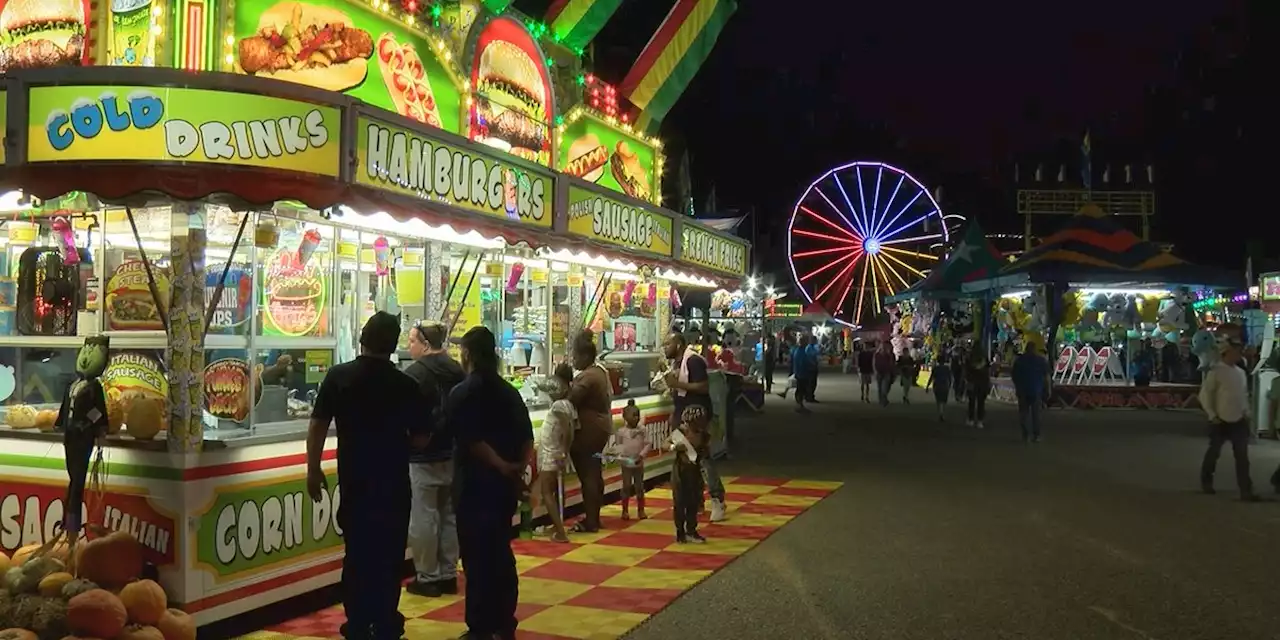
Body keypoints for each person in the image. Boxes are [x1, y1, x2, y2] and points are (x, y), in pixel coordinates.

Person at [306, 312, 421, 640]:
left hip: (355, 482)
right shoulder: (406, 384)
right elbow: (423, 437)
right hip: (394, 485)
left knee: (357, 554)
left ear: (361, 338)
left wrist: (313, 469)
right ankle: (384, 620)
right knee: (389, 555)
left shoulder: (339, 377)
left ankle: (357, 622)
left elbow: (317, 425)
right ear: (393, 344)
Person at [447, 326, 535, 639]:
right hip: (502, 489)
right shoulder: (509, 392)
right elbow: (527, 439)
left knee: (476, 558)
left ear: (467, 354)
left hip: (473, 486)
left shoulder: (463, 393)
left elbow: (470, 441)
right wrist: (516, 470)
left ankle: (481, 626)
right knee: (500, 551)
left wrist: (500, 465)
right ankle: (504, 620)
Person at [403, 321, 465, 598]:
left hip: (423, 455)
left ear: (426, 344)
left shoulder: (414, 373)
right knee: (449, 514)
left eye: (413, 341)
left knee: (424, 517)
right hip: (453, 451)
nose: (409, 346)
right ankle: (449, 574)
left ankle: (428, 576)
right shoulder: (458, 371)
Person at [664, 331, 727, 522]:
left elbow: (703, 387)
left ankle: (717, 499)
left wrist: (678, 384)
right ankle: (696, 500)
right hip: (682, 416)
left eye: (668, 344)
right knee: (687, 460)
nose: (665, 347)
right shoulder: (677, 363)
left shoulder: (693, 361)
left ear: (680, 344)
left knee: (702, 459)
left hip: (697, 418)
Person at [1199, 340, 1260, 501]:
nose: (1238, 355)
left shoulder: (1240, 372)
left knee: (1242, 456)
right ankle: (1206, 481)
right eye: (1235, 351)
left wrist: (1246, 411)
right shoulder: (1216, 371)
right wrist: (1212, 415)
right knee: (1214, 452)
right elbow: (1205, 395)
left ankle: (1245, 489)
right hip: (1220, 419)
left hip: (1238, 418)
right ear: (1226, 353)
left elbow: (1243, 395)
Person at [568, 330, 612, 533]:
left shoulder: (588, 377)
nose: (573, 359)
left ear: (585, 356)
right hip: (600, 428)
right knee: (594, 472)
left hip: (589, 431)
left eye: (575, 356)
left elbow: (570, 398)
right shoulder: (599, 371)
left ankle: (591, 520)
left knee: (588, 475)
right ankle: (595, 516)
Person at [532, 363, 575, 543]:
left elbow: (567, 428)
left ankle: (560, 531)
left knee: (547, 492)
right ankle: (557, 525)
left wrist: (563, 450)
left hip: (552, 453)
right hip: (557, 452)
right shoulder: (567, 404)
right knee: (557, 491)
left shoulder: (559, 406)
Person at [669, 404, 709, 544]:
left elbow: (706, 453)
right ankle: (680, 532)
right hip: (680, 471)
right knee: (679, 502)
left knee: (694, 501)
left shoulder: (704, 434)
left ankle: (691, 531)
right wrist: (674, 447)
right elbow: (665, 444)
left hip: (695, 471)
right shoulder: (681, 431)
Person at [616, 399, 650, 520]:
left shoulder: (642, 430)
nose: (636, 418)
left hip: (638, 462)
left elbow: (647, 444)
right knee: (626, 486)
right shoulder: (621, 432)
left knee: (639, 486)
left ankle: (641, 510)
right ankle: (624, 510)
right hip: (626, 463)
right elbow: (619, 446)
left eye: (638, 416)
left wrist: (641, 455)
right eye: (633, 416)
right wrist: (620, 457)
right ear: (625, 417)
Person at [1012, 342, 1051, 443]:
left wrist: (1017, 387)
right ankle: (1036, 435)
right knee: (1036, 414)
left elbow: (1014, 376)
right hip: (1036, 390)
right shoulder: (1041, 361)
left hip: (1023, 390)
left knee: (1023, 413)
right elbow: (1047, 377)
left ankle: (1025, 434)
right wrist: (1048, 389)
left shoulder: (1019, 361)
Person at [926, 351, 953, 421]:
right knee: (944, 400)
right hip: (944, 385)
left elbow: (931, 377)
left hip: (937, 385)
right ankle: (942, 413)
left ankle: (940, 412)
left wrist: (927, 386)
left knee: (938, 400)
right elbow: (949, 378)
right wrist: (949, 385)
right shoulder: (947, 368)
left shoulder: (935, 368)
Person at [873, 342, 896, 407]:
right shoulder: (877, 354)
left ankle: (883, 399)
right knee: (880, 388)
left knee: (885, 388)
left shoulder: (891, 355)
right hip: (879, 372)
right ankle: (882, 400)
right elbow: (874, 363)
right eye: (882, 347)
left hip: (887, 372)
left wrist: (890, 356)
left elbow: (892, 364)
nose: (884, 348)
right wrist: (875, 371)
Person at [805, 337, 822, 403]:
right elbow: (809, 357)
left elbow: (817, 354)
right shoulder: (808, 348)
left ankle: (810, 396)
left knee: (813, 383)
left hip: (814, 367)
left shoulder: (814, 347)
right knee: (811, 383)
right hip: (810, 367)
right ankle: (809, 396)